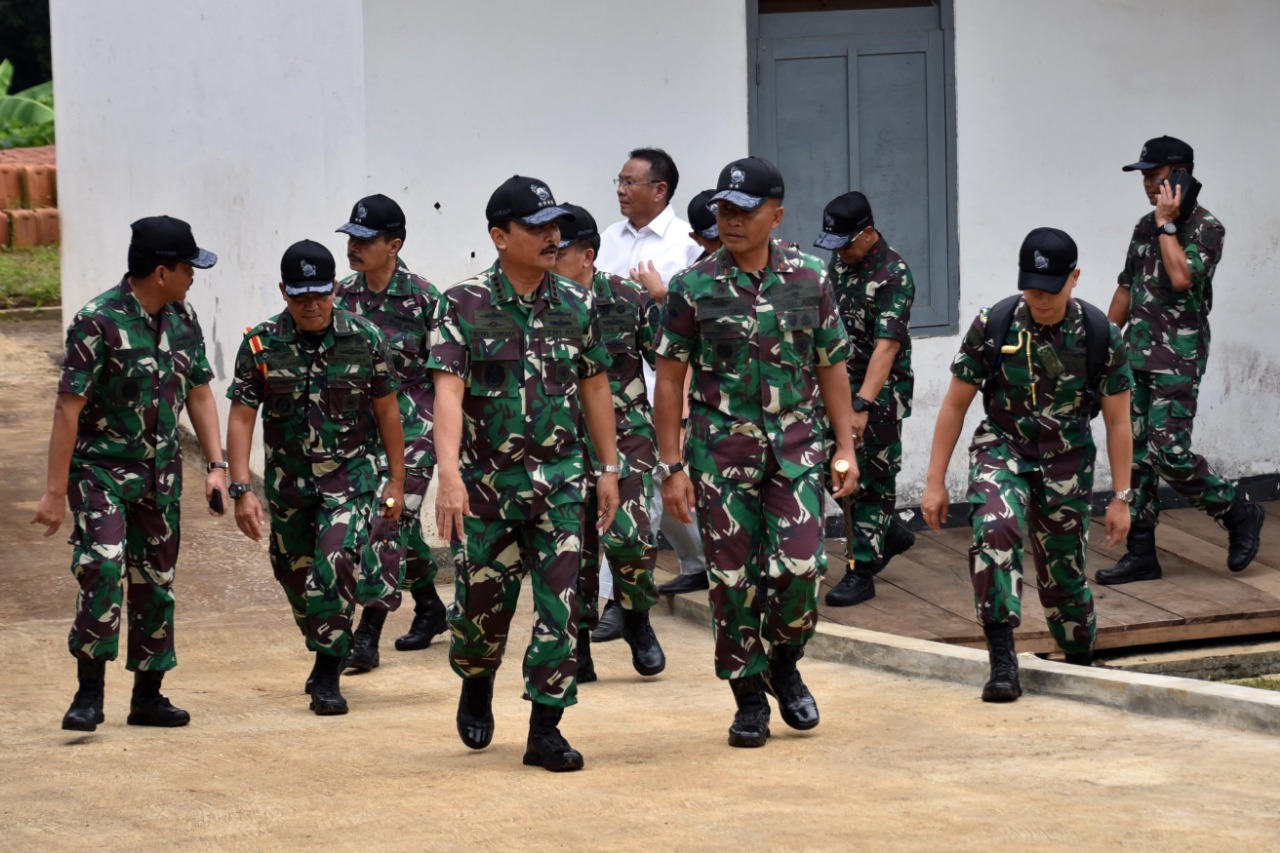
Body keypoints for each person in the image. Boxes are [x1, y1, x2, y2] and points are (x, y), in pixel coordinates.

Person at [655, 156, 859, 748]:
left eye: (744, 211)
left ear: (776, 214)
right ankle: (748, 696)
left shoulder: (810, 278)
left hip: (796, 451)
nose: (731, 220)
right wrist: (672, 467)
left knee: (801, 569)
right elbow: (670, 379)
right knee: (733, 580)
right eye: (723, 209)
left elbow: (831, 365)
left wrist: (845, 445)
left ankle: (784, 661)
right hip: (721, 454)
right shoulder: (694, 286)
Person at [430, 175, 620, 773]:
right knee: (482, 609)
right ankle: (476, 681)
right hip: (487, 487)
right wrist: (449, 477)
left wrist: (609, 468)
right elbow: (448, 394)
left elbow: (595, 385)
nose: (550, 236)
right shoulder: (461, 304)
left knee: (563, 607)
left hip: (561, 481)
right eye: (536, 227)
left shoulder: (577, 302)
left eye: (554, 225)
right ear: (499, 236)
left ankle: (545, 727)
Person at [31, 215, 226, 732]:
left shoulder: (183, 318)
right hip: (101, 473)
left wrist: (217, 466)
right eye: (189, 267)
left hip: (160, 476)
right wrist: (55, 493)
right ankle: (88, 695)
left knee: (156, 579)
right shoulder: (97, 321)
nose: (194, 276)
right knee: (103, 566)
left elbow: (200, 392)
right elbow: (67, 409)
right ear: (162, 271)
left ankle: (148, 696)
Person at [922, 227, 1133, 702]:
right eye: (1030, 286)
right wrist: (935, 481)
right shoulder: (994, 323)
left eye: (1049, 288)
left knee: (1064, 576)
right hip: (1004, 446)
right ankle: (1002, 661)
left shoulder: (1102, 335)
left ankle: (1080, 661)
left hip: (1067, 460)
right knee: (995, 529)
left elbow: (1119, 423)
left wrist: (1121, 497)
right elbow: (955, 405)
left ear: (1074, 278)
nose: (1038, 297)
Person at [225, 240, 405, 716]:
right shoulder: (261, 344)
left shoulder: (365, 339)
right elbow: (242, 417)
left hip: (350, 480)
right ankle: (329, 640)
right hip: (289, 488)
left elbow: (388, 413)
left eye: (320, 293)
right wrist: (242, 489)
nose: (311, 304)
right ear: (284, 291)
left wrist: (397, 482)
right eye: (300, 294)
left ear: (334, 289)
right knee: (294, 575)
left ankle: (327, 674)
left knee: (335, 564)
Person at [1098, 135, 1264, 584]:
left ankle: (1237, 511)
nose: (1149, 186)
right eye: (1145, 179)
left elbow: (1180, 276)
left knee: (1169, 453)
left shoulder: (1207, 228)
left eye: (1156, 177)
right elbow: (1126, 287)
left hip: (1178, 358)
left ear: (1182, 174)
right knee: (1133, 457)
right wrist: (1106, 345)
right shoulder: (1142, 226)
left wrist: (1168, 224)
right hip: (1134, 356)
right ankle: (1141, 552)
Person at [333, 194, 448, 671]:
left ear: (394, 244)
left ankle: (368, 633)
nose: (353, 247)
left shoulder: (424, 298)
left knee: (388, 520)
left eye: (365, 240)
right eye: (351, 238)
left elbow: (447, 373)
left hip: (415, 424)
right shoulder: (339, 296)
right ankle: (430, 606)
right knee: (387, 527)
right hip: (362, 429)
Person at [552, 202, 665, 682]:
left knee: (630, 536)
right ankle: (578, 645)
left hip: (626, 438)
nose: (546, 258)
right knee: (573, 549)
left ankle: (636, 616)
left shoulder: (625, 298)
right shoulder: (540, 306)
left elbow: (667, 360)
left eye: (557, 251)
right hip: (561, 441)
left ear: (586, 255)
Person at [597, 147, 708, 614]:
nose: (621, 190)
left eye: (631, 182)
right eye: (618, 181)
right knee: (655, 483)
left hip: (662, 382)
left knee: (640, 488)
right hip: (613, 380)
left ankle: (611, 604)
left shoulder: (688, 243)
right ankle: (700, 559)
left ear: (659, 190)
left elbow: (703, 322)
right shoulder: (607, 237)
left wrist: (664, 296)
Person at [814, 191, 917, 607]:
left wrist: (862, 406)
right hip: (834, 382)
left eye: (846, 244)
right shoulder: (842, 260)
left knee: (868, 480)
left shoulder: (894, 274)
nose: (839, 253)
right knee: (829, 465)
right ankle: (885, 530)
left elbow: (887, 348)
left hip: (878, 392)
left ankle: (861, 569)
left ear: (869, 233)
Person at [685, 189, 722, 260]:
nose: (725, 241)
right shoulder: (698, 270)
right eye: (716, 237)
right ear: (696, 238)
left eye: (731, 233)